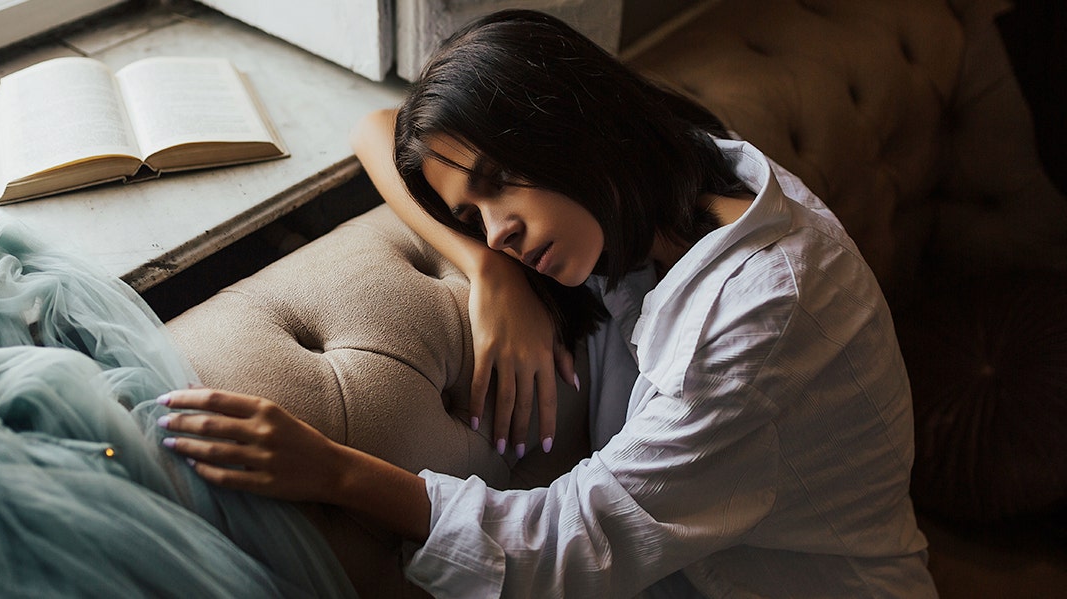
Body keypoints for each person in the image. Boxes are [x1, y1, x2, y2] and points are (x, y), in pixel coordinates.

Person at [156, 9, 938, 597]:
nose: (501, 232)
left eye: (499, 182)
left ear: (573, 121)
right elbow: (378, 126)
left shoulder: (757, 311)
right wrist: (486, 271)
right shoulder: (681, 186)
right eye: (472, 214)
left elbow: (577, 537)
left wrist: (331, 470)